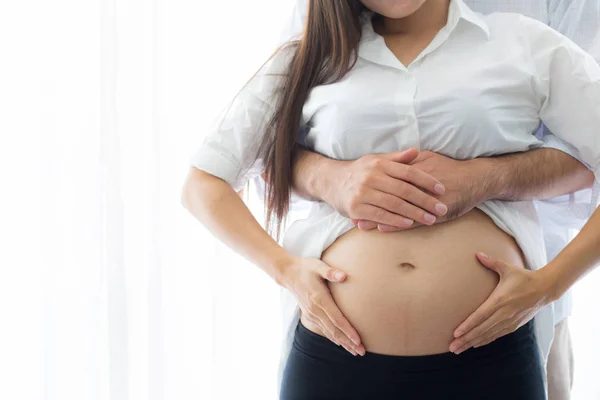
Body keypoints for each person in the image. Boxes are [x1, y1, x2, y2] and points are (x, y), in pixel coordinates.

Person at [182, 0, 600, 398]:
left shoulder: (526, 44)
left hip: (491, 356)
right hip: (336, 358)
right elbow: (204, 184)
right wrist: (286, 270)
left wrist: (551, 284)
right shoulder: (310, 58)